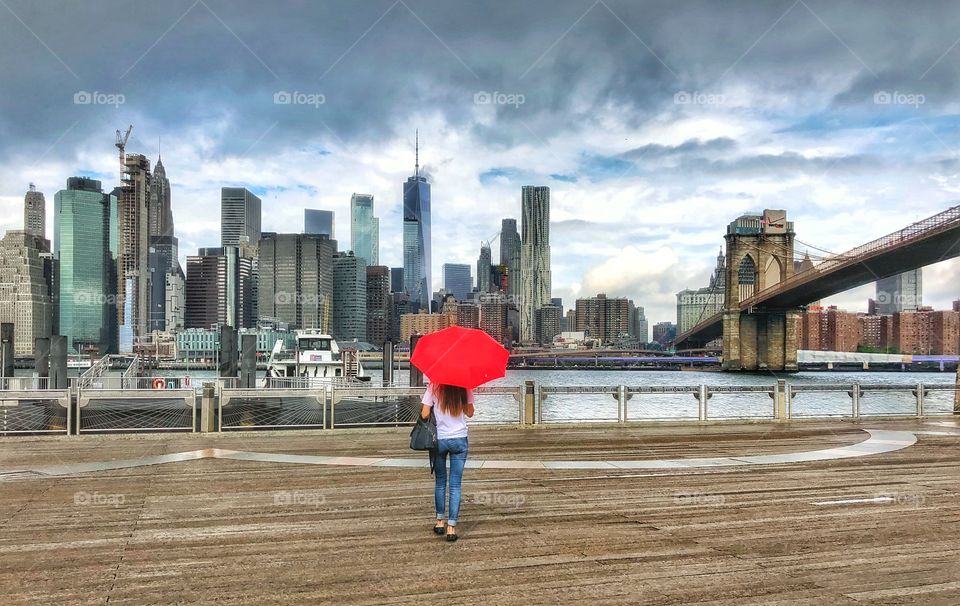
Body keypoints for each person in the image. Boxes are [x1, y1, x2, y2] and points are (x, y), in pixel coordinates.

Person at [421, 381, 474, 542]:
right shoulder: (465, 386)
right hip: (459, 438)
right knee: (456, 484)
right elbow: (470, 413)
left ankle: (439, 522)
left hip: (440, 440)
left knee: (440, 482)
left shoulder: (434, 386)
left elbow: (424, 414)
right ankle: (451, 527)